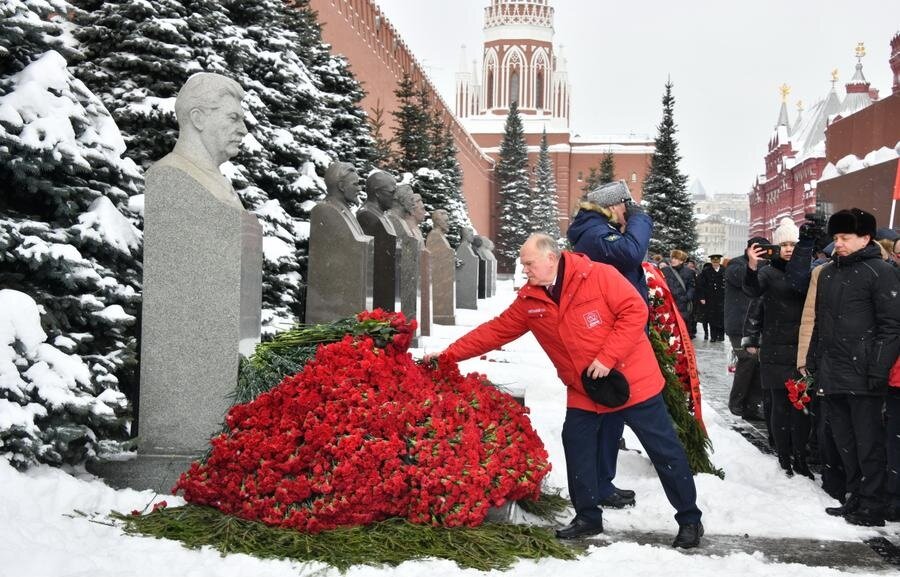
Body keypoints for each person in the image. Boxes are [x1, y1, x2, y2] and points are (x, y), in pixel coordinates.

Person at [433, 233, 704, 548]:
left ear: (551, 258)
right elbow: (494, 331)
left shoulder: (599, 275)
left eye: (529, 263)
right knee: (577, 445)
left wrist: (607, 357)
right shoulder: (531, 299)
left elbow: (634, 311)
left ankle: (689, 519)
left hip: (632, 381)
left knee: (664, 450)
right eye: (524, 264)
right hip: (584, 388)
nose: (525, 270)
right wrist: (447, 355)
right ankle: (588, 516)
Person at [807, 208, 900, 527]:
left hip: (864, 374)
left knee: (868, 442)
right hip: (833, 372)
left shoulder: (881, 271)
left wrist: (877, 368)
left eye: (845, 238)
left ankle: (873, 504)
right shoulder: (829, 273)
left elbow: (891, 327)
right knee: (843, 441)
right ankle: (856, 495)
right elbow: (821, 323)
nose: (839, 244)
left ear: (866, 238)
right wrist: (814, 360)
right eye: (835, 238)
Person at [567, 179, 652, 510]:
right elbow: (632, 252)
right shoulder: (597, 233)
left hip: (610, 330)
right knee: (606, 412)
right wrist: (641, 219)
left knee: (611, 412)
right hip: (606, 334)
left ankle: (602, 482)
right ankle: (598, 485)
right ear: (615, 206)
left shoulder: (595, 230)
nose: (627, 213)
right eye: (625, 207)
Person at [744, 218, 811, 478]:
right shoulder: (768, 272)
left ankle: (801, 457)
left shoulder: (808, 272)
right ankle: (784, 456)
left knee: (802, 406)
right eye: (783, 244)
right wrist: (752, 264)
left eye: (793, 243)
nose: (788, 248)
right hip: (774, 347)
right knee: (780, 405)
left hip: (801, 348)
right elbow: (751, 291)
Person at [156, 72, 248, 209]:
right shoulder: (171, 180)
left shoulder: (217, 182)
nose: (244, 130)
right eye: (233, 118)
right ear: (198, 118)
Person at [724, 237, 768, 420]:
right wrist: (753, 262)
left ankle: (752, 405)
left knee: (758, 363)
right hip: (738, 325)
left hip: (754, 325)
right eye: (756, 249)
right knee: (747, 359)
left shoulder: (766, 266)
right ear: (748, 249)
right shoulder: (736, 264)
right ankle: (736, 403)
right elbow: (744, 278)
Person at [661, 249, 694, 333]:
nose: (673, 260)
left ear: (682, 261)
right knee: (669, 327)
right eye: (672, 258)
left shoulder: (689, 272)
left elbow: (691, 287)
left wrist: (686, 297)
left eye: (676, 258)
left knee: (682, 329)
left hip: (682, 304)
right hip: (668, 303)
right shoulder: (665, 270)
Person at [697, 255, 726, 342]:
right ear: (711, 262)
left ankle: (721, 335)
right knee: (712, 317)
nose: (715, 264)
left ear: (719, 262)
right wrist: (702, 297)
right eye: (714, 262)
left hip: (722, 297)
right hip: (710, 297)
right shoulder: (706, 271)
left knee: (721, 317)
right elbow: (700, 285)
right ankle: (713, 336)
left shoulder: (724, 270)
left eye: (717, 262)